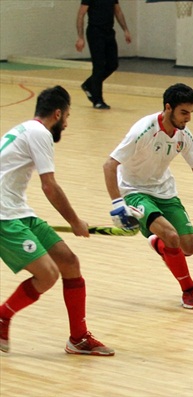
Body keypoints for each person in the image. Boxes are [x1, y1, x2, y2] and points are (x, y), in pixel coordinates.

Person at [0, 86, 114, 356]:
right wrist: (75, 221)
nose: (67, 122)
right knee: (48, 274)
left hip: (18, 211)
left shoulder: (24, 128)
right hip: (3, 215)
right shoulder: (40, 133)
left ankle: (78, 338)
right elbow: (49, 186)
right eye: (68, 117)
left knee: (69, 262)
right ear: (59, 113)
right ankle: (2, 316)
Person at [103, 83, 193, 310]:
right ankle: (189, 291)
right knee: (171, 236)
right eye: (184, 112)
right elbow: (109, 165)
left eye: (191, 112)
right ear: (168, 108)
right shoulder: (142, 131)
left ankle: (156, 241)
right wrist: (118, 205)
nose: (188, 118)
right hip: (134, 190)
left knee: (188, 247)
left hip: (164, 190)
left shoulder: (184, 135)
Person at [75, 0, 132, 110]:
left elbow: (118, 11)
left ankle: (89, 84)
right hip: (95, 32)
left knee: (113, 64)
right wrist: (80, 37)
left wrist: (125, 30)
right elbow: (81, 14)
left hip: (109, 32)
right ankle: (98, 100)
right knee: (99, 66)